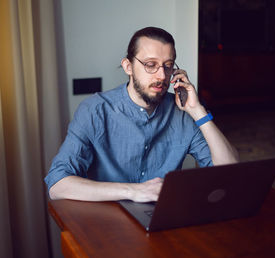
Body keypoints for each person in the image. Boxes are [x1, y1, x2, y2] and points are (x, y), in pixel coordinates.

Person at [44, 26, 239, 202]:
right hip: (107, 223)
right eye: (150, 64)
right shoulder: (95, 110)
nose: (162, 75)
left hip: (164, 218)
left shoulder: (184, 111)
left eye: (168, 65)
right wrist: (134, 191)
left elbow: (229, 172)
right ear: (128, 67)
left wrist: (198, 111)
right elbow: (57, 185)